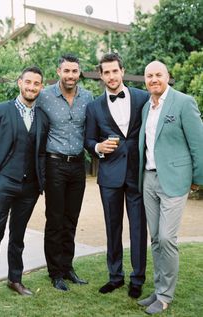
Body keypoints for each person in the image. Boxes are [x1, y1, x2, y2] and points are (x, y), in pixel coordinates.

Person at [0, 66, 48, 303]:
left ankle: (14, 279)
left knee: (18, 236)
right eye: (28, 82)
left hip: (29, 188)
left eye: (36, 83)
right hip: (3, 183)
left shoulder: (42, 116)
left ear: (41, 86)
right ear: (20, 83)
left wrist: (41, 182)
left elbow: (41, 152)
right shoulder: (0, 110)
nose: (31, 87)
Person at [138, 61, 203, 315]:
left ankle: (165, 295)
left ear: (168, 77)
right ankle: (158, 289)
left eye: (158, 75)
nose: (154, 79)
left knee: (167, 238)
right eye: (149, 76)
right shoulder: (146, 107)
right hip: (149, 180)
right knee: (155, 238)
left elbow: (199, 144)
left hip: (175, 180)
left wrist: (197, 178)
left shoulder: (183, 102)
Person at [85, 52, 148, 298]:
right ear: (101, 76)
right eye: (106, 72)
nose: (111, 76)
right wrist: (98, 147)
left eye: (115, 71)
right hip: (109, 176)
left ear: (122, 71)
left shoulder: (143, 98)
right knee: (113, 228)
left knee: (138, 229)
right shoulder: (94, 107)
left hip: (137, 173)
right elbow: (88, 140)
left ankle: (138, 278)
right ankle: (115, 276)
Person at [37, 54, 93, 291]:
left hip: (78, 165)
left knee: (71, 219)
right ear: (58, 71)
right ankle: (55, 272)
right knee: (55, 219)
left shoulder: (88, 97)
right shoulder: (44, 96)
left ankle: (68, 267)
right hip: (54, 164)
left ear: (79, 73)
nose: (71, 75)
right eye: (66, 70)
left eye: (75, 71)